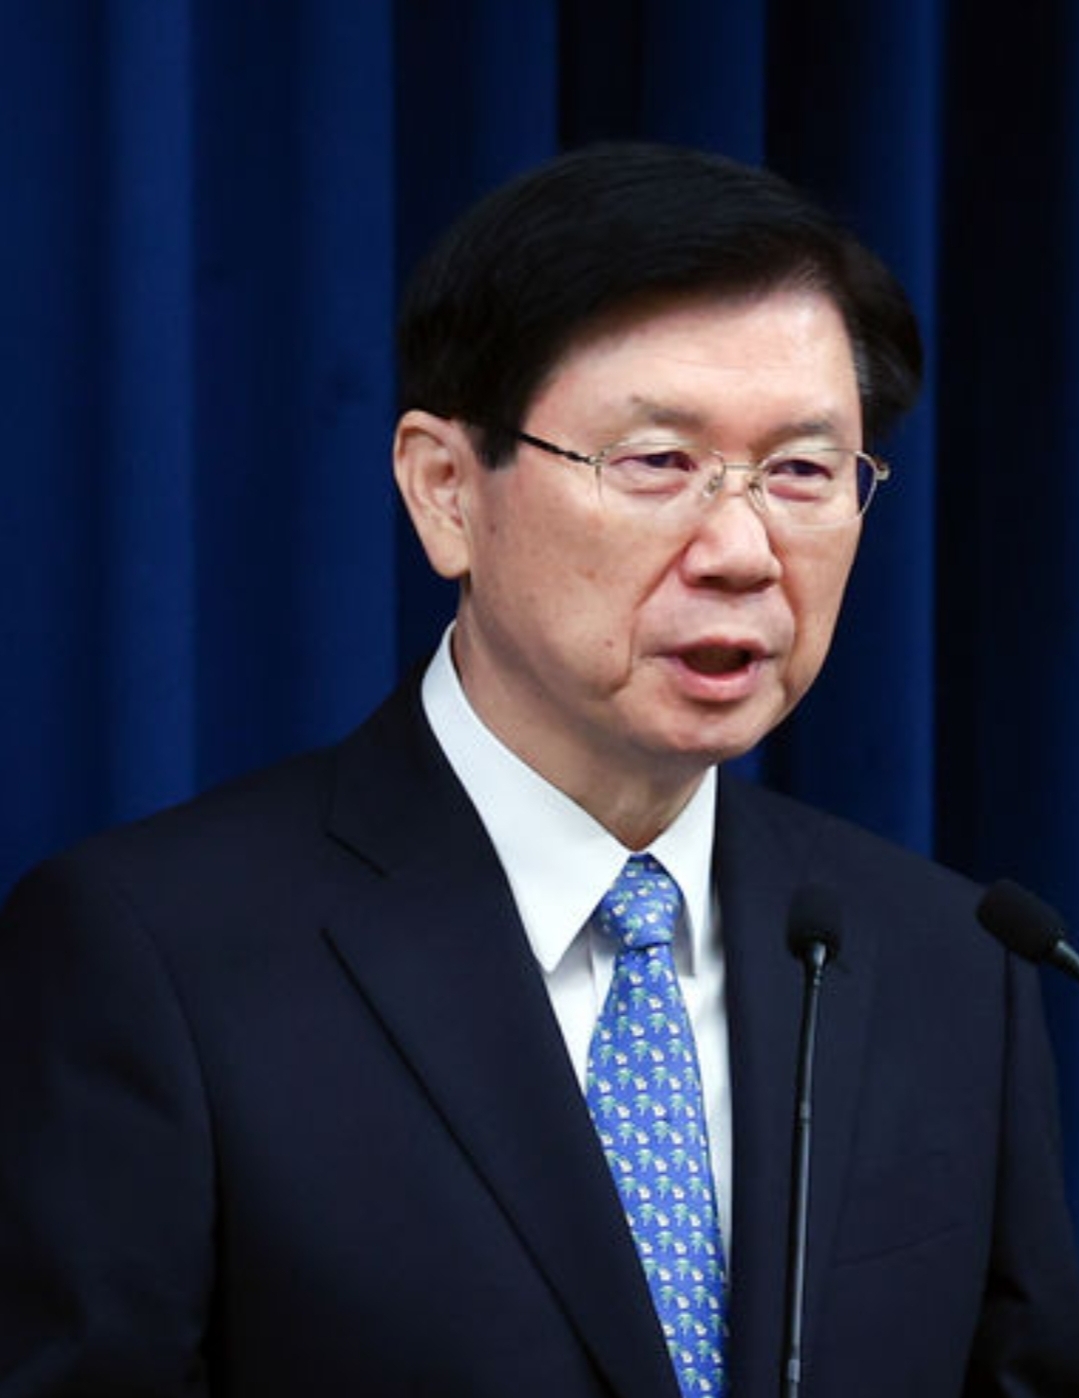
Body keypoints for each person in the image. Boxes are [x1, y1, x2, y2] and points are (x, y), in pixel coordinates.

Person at [1, 142, 1076, 1398]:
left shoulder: (949, 960)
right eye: (656, 462)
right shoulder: (154, 959)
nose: (741, 549)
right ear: (445, 492)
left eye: (800, 473)